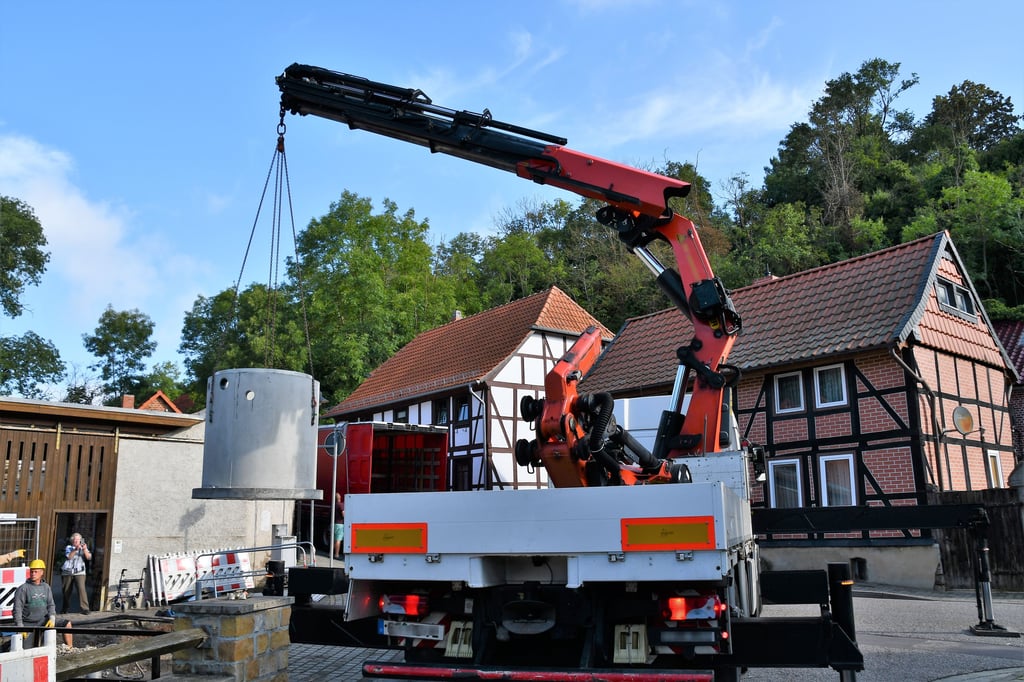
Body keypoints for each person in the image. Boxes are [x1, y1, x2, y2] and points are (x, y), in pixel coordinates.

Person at [13, 559, 55, 647]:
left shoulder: (46, 587)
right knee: (26, 648)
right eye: (31, 571)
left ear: (42, 572)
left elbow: (51, 604)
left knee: (67, 624)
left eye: (36, 572)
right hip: (28, 623)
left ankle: (69, 649)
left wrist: (52, 617)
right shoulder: (23, 588)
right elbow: (17, 609)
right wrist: (20, 626)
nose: (33, 574)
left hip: (43, 621)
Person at [61, 532, 91, 614]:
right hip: (67, 572)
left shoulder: (83, 548)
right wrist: (75, 549)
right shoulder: (69, 547)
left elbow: (88, 557)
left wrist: (84, 549)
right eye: (75, 539)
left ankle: (85, 608)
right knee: (66, 591)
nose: (77, 541)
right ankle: (65, 609)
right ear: (72, 541)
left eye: (78, 539)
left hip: (80, 572)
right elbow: (69, 557)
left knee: (81, 589)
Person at [333, 493, 345, 559]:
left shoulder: (333, 505)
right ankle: (336, 555)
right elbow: (343, 514)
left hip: (333, 524)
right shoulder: (341, 505)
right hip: (339, 524)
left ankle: (331, 553)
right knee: (338, 540)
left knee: (333, 540)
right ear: (340, 498)